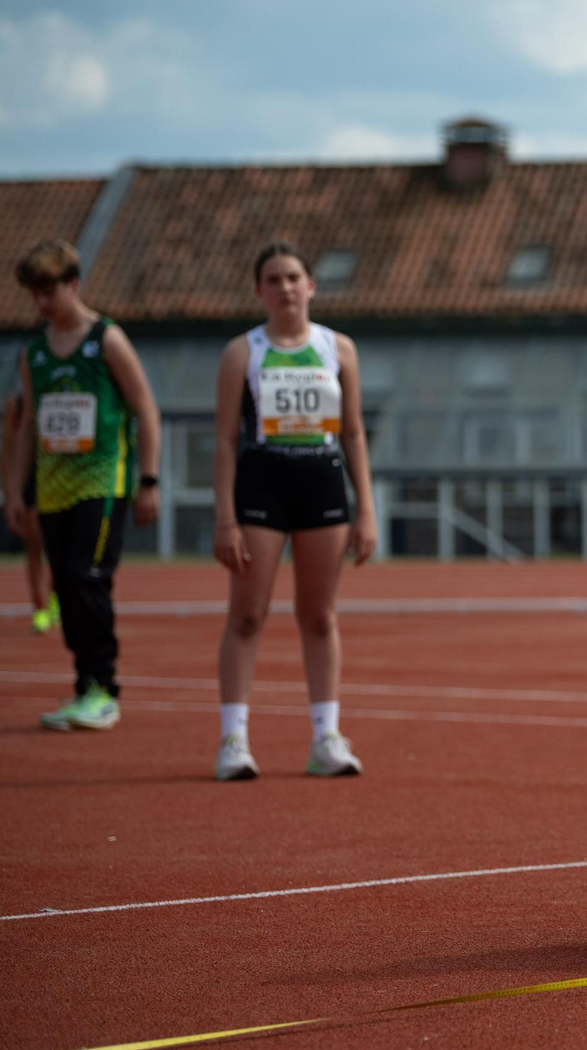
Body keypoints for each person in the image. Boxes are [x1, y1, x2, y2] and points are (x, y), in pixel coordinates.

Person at [210, 242, 377, 781]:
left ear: (311, 287)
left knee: (319, 616)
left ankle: (325, 738)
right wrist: (224, 517)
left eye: (293, 277)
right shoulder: (243, 352)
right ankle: (233, 740)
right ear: (259, 290)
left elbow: (352, 432)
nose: (284, 287)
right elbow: (222, 438)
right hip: (262, 483)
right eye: (273, 278)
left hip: (322, 484)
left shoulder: (339, 349)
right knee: (248, 615)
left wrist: (366, 509)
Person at [4, 239, 161, 730]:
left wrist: (149, 479)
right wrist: (14, 490)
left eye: (49, 291)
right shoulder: (34, 354)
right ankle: (85, 686)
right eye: (34, 294)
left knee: (87, 578)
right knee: (65, 587)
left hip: (102, 482)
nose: (41, 303)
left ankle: (102, 688)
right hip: (52, 490)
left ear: (74, 285)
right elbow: (28, 425)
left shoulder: (106, 340)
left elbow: (145, 408)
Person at [0, 387, 58, 634]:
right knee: (35, 544)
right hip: (32, 478)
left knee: (62, 547)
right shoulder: (17, 403)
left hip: (64, 475)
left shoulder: (66, 393)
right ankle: (40, 606)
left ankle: (56, 597)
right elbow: (7, 449)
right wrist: (10, 492)